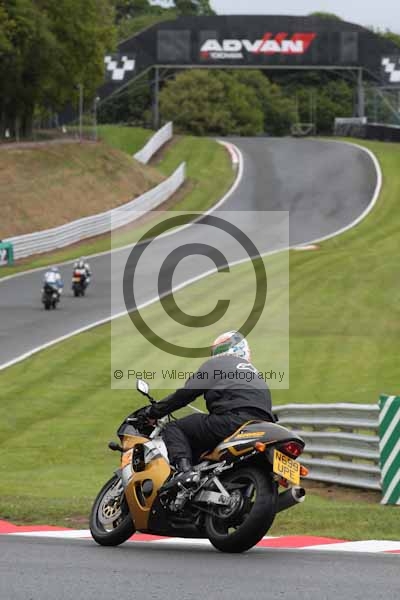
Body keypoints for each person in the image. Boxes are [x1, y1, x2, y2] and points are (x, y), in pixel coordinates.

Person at [138, 331, 274, 488]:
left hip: (234, 420)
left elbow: (186, 394)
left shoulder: (218, 364)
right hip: (262, 426)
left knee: (174, 428)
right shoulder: (255, 374)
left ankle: (185, 474)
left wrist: (153, 412)